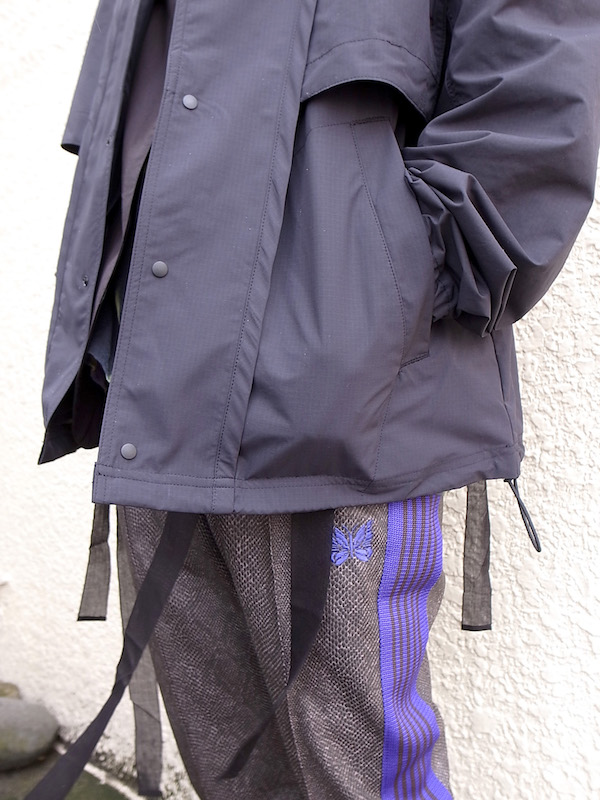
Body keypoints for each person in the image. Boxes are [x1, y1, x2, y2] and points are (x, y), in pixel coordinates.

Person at [31, 1, 600, 798]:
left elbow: (534, 98)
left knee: (362, 775)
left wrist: (383, 293)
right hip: (159, 396)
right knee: (230, 773)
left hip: (342, 405)